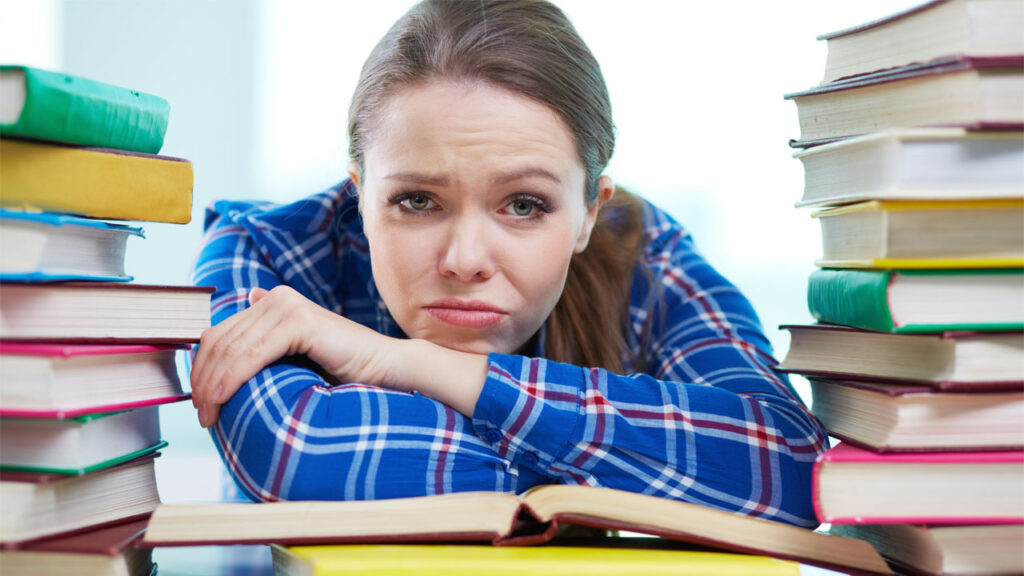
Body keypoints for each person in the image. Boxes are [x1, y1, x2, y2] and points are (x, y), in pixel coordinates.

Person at [189, 0, 828, 527]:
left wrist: (405, 363)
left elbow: (792, 468)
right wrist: (636, 475)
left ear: (587, 212)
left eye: (524, 204)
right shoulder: (263, 252)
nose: (465, 260)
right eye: (416, 200)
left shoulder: (645, 257)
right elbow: (301, 455)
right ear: (360, 193)